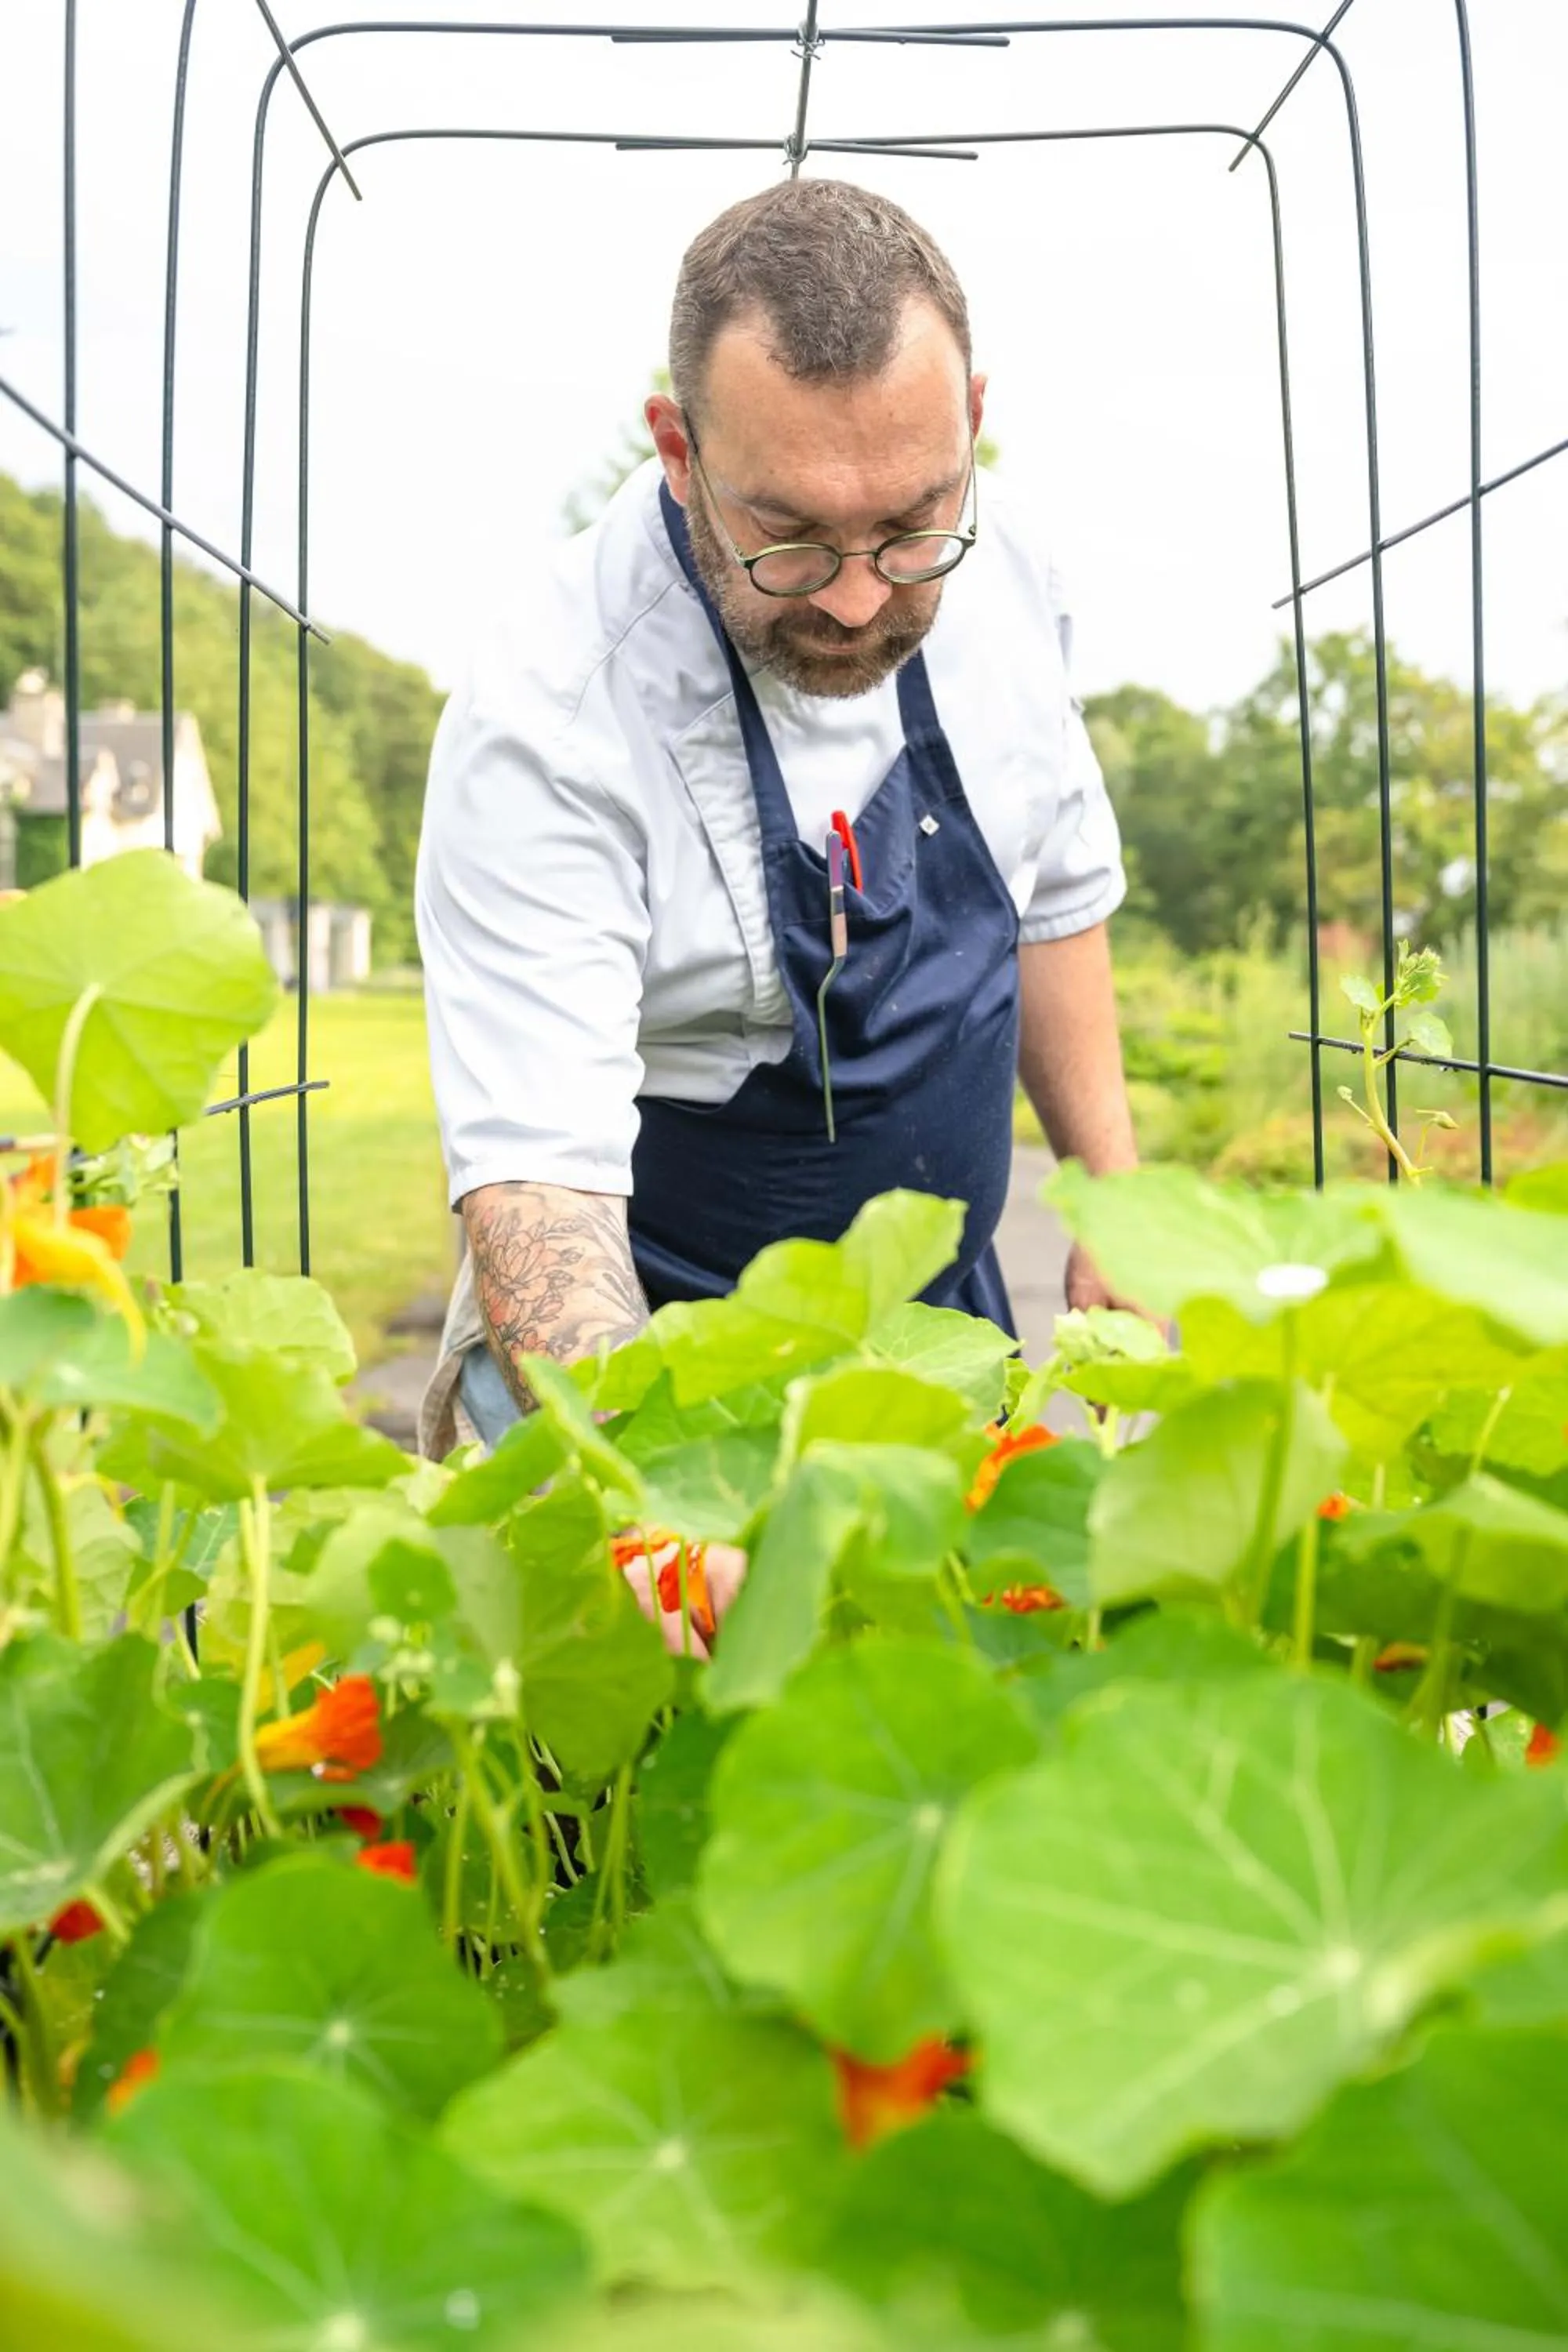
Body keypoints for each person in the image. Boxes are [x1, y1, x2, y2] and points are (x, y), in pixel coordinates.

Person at [416, 178, 1137, 1488]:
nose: (862, 600)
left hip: (935, 1344)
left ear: (972, 424)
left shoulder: (1013, 578)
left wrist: (1116, 1192)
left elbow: (1053, 901)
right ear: (679, 451)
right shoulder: (552, 710)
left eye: (910, 524)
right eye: (791, 540)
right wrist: (659, 1501)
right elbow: (540, 1193)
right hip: (646, 1355)